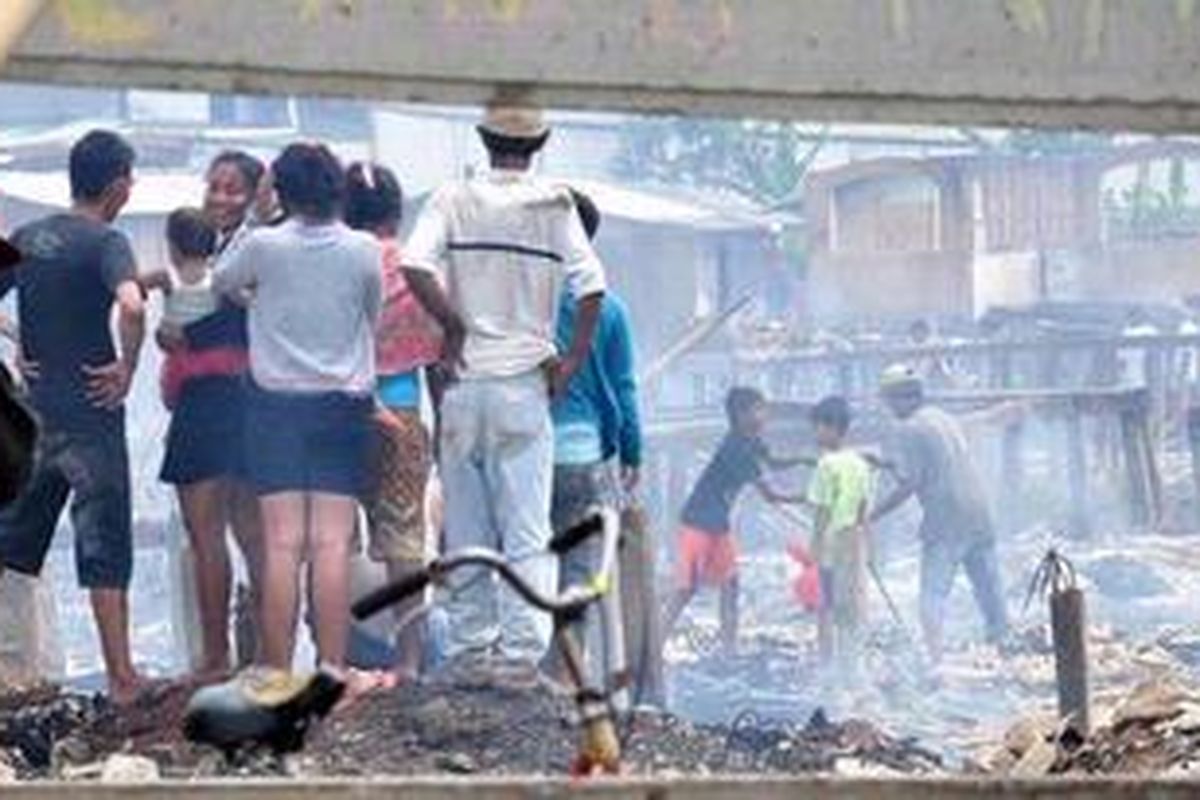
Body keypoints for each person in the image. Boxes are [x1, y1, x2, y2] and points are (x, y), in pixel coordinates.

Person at [402, 101, 606, 669]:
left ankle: (471, 646)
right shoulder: (554, 204)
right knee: (525, 528)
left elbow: (415, 266)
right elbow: (592, 288)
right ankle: (520, 654)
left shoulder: (451, 197)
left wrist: (454, 323)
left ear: (481, 139)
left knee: (467, 525)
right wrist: (571, 361)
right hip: (524, 389)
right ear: (539, 145)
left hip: (463, 387)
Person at [214, 142, 381, 675]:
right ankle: (331, 669)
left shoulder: (264, 245)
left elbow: (221, 282)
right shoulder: (362, 248)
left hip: (274, 406)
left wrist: (260, 222)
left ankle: (278, 669)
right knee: (332, 544)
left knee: (282, 545)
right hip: (341, 405)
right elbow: (370, 313)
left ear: (280, 191)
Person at [0, 130, 150, 704]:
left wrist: (17, 342)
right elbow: (133, 305)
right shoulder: (107, 243)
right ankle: (121, 677)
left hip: (36, 419)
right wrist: (127, 366)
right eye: (131, 181)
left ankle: (10, 677)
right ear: (115, 186)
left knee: (13, 545)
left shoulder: (29, 237)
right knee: (104, 549)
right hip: (91, 422)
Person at [157, 152, 268, 675]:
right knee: (250, 533)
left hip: (210, 403)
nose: (220, 197)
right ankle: (270, 654)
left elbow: (191, 329)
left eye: (233, 189)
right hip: (247, 402)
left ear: (253, 195)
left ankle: (218, 656)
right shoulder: (227, 252)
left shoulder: (236, 254)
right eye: (214, 186)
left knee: (210, 535)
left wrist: (175, 335)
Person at [344, 161, 442, 681]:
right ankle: (408, 660)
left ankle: (330, 657)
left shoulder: (334, 261)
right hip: (401, 413)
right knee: (405, 540)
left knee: (332, 539)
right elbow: (439, 355)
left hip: (335, 414)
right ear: (397, 215)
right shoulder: (415, 266)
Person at [548, 189, 642, 688]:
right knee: (578, 567)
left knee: (523, 556)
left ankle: (527, 666)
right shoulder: (611, 310)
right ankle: (567, 671)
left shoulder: (530, 302)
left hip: (526, 452)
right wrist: (633, 451)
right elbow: (625, 388)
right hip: (584, 454)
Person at [869, 364, 1008, 663]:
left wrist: (872, 516)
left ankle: (936, 662)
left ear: (898, 398)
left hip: (947, 519)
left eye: (889, 400)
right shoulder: (942, 418)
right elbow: (933, 461)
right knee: (989, 590)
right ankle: (1003, 644)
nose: (888, 407)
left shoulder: (908, 428)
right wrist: (884, 464)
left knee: (931, 596)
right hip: (980, 513)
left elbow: (911, 483)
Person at [661, 386, 804, 656]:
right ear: (740, 415)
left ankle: (729, 649)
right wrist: (805, 498)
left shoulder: (751, 440)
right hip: (697, 521)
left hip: (718, 523)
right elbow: (770, 495)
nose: (764, 415)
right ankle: (653, 646)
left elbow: (773, 462)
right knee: (686, 589)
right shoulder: (736, 448)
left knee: (731, 584)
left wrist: (804, 460)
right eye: (758, 410)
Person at [806, 395, 873, 679]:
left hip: (833, 543)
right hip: (854, 540)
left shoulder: (826, 465)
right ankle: (852, 667)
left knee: (825, 607)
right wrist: (867, 543)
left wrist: (815, 543)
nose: (816, 433)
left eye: (819, 427)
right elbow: (862, 507)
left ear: (833, 427)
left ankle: (826, 668)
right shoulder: (860, 463)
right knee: (851, 608)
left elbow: (822, 511)